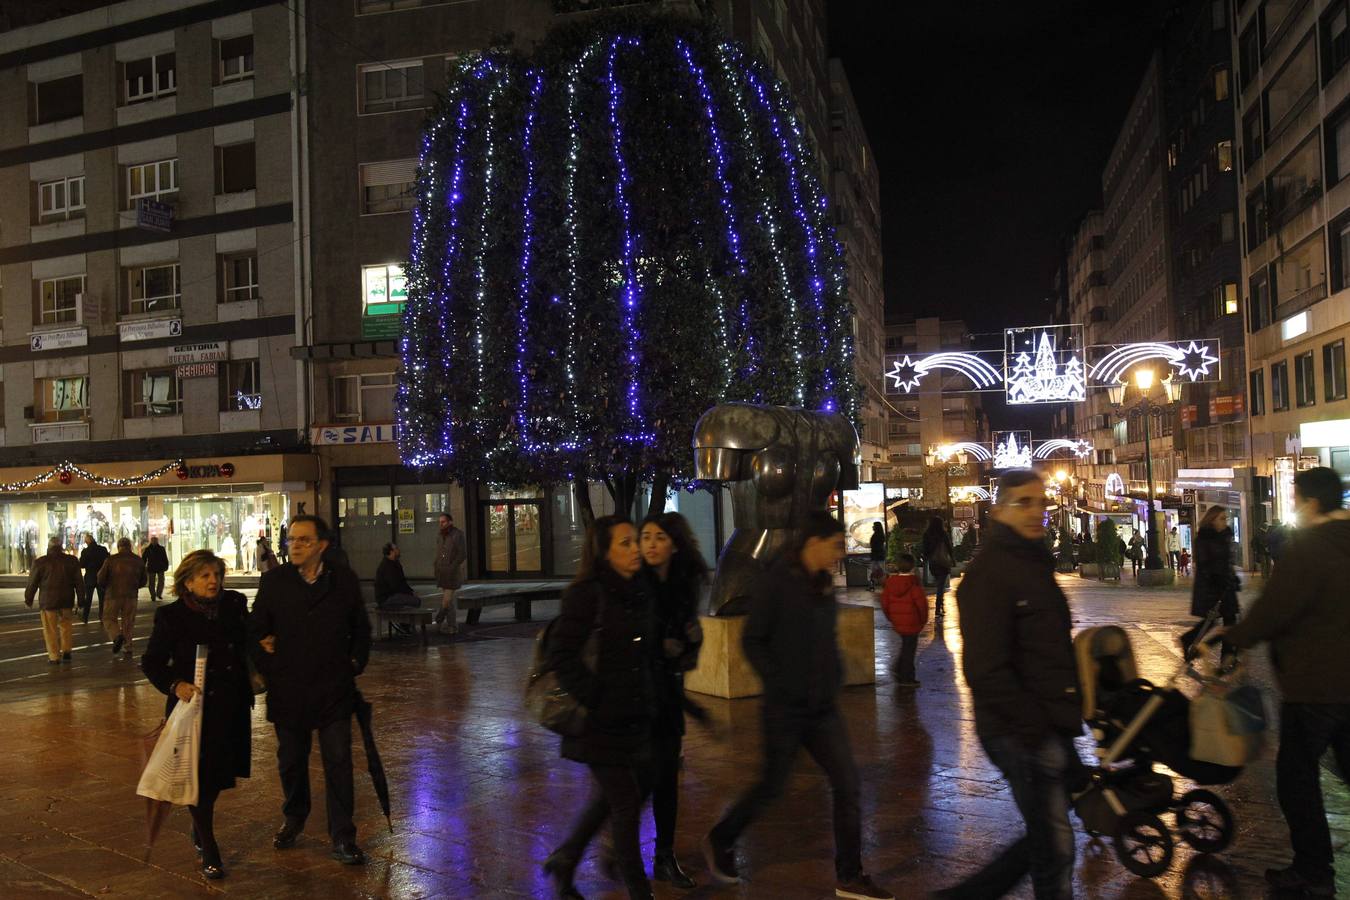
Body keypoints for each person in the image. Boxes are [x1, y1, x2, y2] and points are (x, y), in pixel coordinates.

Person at [705, 511, 893, 900]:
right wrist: (781, 682)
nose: (840, 554)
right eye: (836, 546)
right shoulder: (776, 583)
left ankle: (850, 874)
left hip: (822, 707)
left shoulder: (822, 584)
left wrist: (833, 673)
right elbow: (753, 640)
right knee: (772, 785)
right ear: (813, 544)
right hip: (786, 708)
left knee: (847, 784)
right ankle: (721, 838)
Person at [933, 470, 1082, 900]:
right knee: (1053, 843)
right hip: (1019, 729)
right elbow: (985, 668)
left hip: (1045, 719)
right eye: (1024, 502)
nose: (1037, 511)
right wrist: (1035, 728)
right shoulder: (990, 574)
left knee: (1047, 835)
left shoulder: (1032, 562)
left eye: (1041, 502)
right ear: (999, 510)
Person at [1223, 467, 1350, 897]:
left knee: (1296, 778)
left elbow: (1274, 609)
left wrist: (1233, 638)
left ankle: (1314, 870)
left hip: (1316, 685)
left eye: (1297, 497)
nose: (1293, 504)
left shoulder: (1309, 548)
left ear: (1311, 502)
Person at [543, 515, 656, 900]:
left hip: (631, 716)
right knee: (624, 804)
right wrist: (596, 697)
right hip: (599, 722)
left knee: (611, 798)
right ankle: (641, 893)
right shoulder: (587, 594)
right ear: (604, 552)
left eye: (634, 540)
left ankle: (566, 858)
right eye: (625, 543)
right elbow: (562, 654)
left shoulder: (635, 589)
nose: (635, 548)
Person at [248, 515, 371, 866]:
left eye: (304, 540)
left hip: (333, 689)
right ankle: (295, 816)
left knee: (339, 762)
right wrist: (268, 665)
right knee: (291, 760)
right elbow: (255, 630)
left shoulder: (342, 581)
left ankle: (343, 835)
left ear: (322, 545)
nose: (296, 546)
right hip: (289, 689)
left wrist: (353, 664)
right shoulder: (275, 582)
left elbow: (360, 629)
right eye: (291, 540)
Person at [140, 550, 252, 880]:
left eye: (216, 574)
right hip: (193, 711)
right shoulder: (171, 617)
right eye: (204, 575)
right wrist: (176, 685)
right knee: (198, 779)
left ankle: (198, 825)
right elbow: (152, 662)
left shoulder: (233, 605)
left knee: (217, 778)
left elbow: (248, 640)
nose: (213, 581)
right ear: (187, 582)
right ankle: (210, 845)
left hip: (229, 706)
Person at [637, 512, 706, 889]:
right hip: (636, 697)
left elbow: (688, 642)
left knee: (665, 779)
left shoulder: (684, 585)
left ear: (675, 544)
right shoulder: (634, 584)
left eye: (658, 537)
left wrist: (685, 646)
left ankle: (664, 856)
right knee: (638, 779)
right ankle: (622, 852)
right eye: (645, 536)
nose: (649, 544)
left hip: (666, 696)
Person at [1181, 505, 1239, 661]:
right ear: (1212, 520)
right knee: (1212, 620)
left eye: (1225, 518)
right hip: (1212, 586)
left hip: (1226, 584)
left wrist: (1232, 577)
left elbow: (1227, 562)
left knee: (1230, 619)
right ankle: (1189, 641)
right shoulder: (1204, 538)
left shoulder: (1225, 536)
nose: (1225, 522)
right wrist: (1217, 580)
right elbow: (1204, 564)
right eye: (1221, 518)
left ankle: (1227, 655)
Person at [24, 537, 85, 664]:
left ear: (49, 546)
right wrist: (81, 601)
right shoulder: (72, 561)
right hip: (67, 601)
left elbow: (32, 583)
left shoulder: (40, 562)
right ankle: (67, 651)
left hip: (48, 602)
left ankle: (54, 656)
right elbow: (79, 583)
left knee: (49, 629)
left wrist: (28, 599)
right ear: (61, 546)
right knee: (66, 625)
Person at [881, 553, 927, 687]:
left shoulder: (890, 583)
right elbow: (921, 606)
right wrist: (922, 621)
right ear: (912, 567)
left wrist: (892, 618)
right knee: (909, 650)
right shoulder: (914, 584)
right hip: (913, 623)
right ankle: (907, 677)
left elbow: (885, 603)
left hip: (898, 622)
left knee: (906, 646)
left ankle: (898, 669)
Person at [98, 537, 146, 657]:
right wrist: (135, 586)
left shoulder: (110, 560)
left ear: (119, 547)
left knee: (108, 618)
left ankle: (117, 636)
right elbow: (144, 580)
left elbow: (101, 578)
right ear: (130, 546)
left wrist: (105, 587)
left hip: (112, 594)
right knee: (128, 621)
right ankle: (128, 646)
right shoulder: (138, 560)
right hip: (131, 596)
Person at [433, 512, 467, 633]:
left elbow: (462, 553)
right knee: (449, 600)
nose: (441, 524)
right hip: (442, 571)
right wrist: (436, 565)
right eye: (440, 522)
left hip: (451, 572)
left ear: (450, 522)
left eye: (443, 522)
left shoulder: (457, 535)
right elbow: (439, 552)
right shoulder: (440, 535)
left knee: (446, 600)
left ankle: (438, 619)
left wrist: (453, 566)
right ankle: (452, 626)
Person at [922, 516, 954, 618]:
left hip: (933, 563)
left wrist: (926, 558)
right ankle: (938, 607)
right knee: (941, 586)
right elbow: (949, 547)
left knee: (939, 585)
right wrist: (953, 559)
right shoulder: (943, 534)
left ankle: (941, 605)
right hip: (943, 562)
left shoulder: (927, 534)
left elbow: (925, 549)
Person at [375, 543, 421, 610]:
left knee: (414, 600)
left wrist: (411, 592)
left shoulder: (395, 563)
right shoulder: (387, 566)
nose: (399, 550)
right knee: (416, 601)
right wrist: (409, 594)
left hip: (392, 595)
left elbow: (402, 581)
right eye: (396, 548)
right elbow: (395, 585)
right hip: (386, 598)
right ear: (391, 552)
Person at [79, 533, 110, 625]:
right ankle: (102, 617)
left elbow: (82, 564)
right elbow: (108, 561)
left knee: (88, 598)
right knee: (102, 599)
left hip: (90, 577)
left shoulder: (85, 551)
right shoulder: (103, 550)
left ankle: (85, 617)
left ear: (87, 542)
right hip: (101, 577)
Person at [143, 535, 169, 601]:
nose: (154, 541)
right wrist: (143, 566)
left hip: (160, 567)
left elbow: (165, 558)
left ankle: (158, 594)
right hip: (152, 567)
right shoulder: (148, 549)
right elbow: (144, 559)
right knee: (152, 582)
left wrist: (166, 566)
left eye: (155, 540)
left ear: (157, 541)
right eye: (153, 540)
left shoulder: (161, 549)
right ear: (151, 541)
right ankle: (153, 595)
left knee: (161, 581)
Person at [867, 522, 886, 591]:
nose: (872, 527)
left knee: (872, 571)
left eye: (874, 526)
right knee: (881, 572)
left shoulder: (876, 536)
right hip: (880, 556)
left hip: (876, 556)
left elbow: (875, 547)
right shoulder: (881, 535)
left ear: (876, 527)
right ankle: (884, 586)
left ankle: (872, 586)